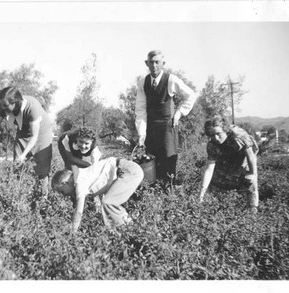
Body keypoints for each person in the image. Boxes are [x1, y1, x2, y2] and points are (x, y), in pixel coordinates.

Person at [135, 50, 198, 186]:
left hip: (167, 127)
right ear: (147, 63)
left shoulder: (171, 79)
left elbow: (191, 95)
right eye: (151, 62)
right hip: (150, 128)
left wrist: (179, 113)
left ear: (163, 63)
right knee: (150, 162)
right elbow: (140, 109)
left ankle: (169, 196)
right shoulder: (143, 82)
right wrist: (142, 133)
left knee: (168, 162)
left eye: (157, 62)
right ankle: (152, 196)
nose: (154, 66)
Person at [52, 157, 143, 232]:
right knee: (110, 205)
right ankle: (128, 227)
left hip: (127, 171)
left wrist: (73, 231)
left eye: (62, 191)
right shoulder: (80, 174)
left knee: (108, 202)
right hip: (127, 169)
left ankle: (127, 231)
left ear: (65, 183)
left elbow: (79, 212)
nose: (64, 195)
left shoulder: (80, 182)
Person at [198, 115, 260, 214]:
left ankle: (253, 210)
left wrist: (252, 174)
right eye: (212, 135)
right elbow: (209, 168)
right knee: (217, 182)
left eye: (219, 134)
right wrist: (202, 193)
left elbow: (251, 156)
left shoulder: (239, 135)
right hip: (227, 159)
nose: (216, 138)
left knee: (250, 181)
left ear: (225, 130)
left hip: (244, 159)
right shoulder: (211, 145)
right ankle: (219, 210)